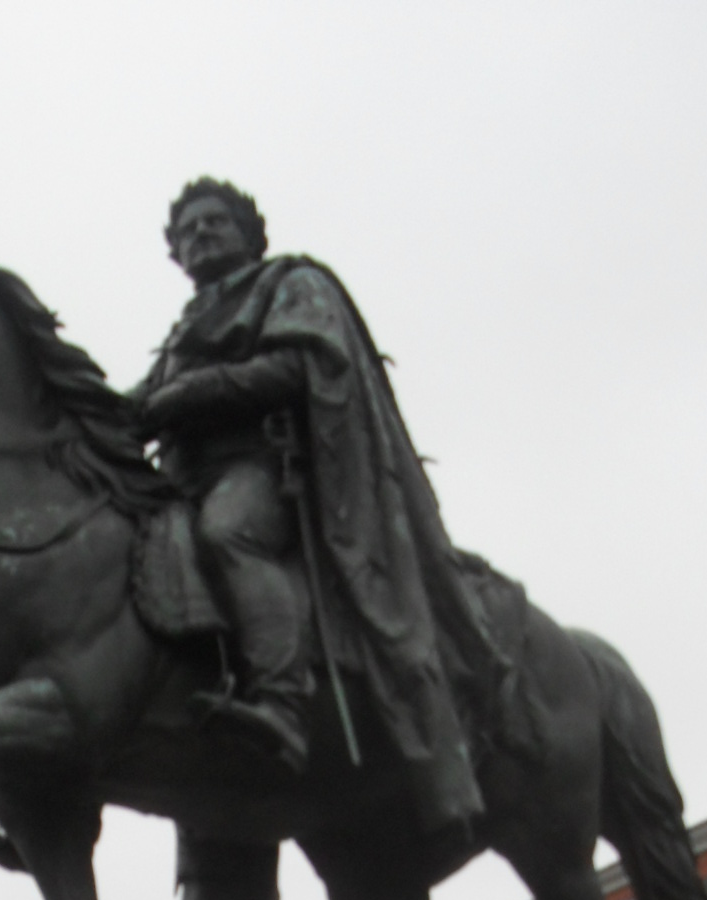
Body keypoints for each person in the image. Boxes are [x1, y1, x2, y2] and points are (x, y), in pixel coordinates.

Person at [134, 177, 527, 817]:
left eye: (214, 221)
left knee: (229, 533)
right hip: (188, 477)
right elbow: (145, 399)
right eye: (187, 231)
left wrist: (193, 394)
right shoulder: (186, 327)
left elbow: (301, 367)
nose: (200, 234)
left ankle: (282, 699)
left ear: (248, 235)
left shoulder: (291, 283)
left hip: (269, 468)